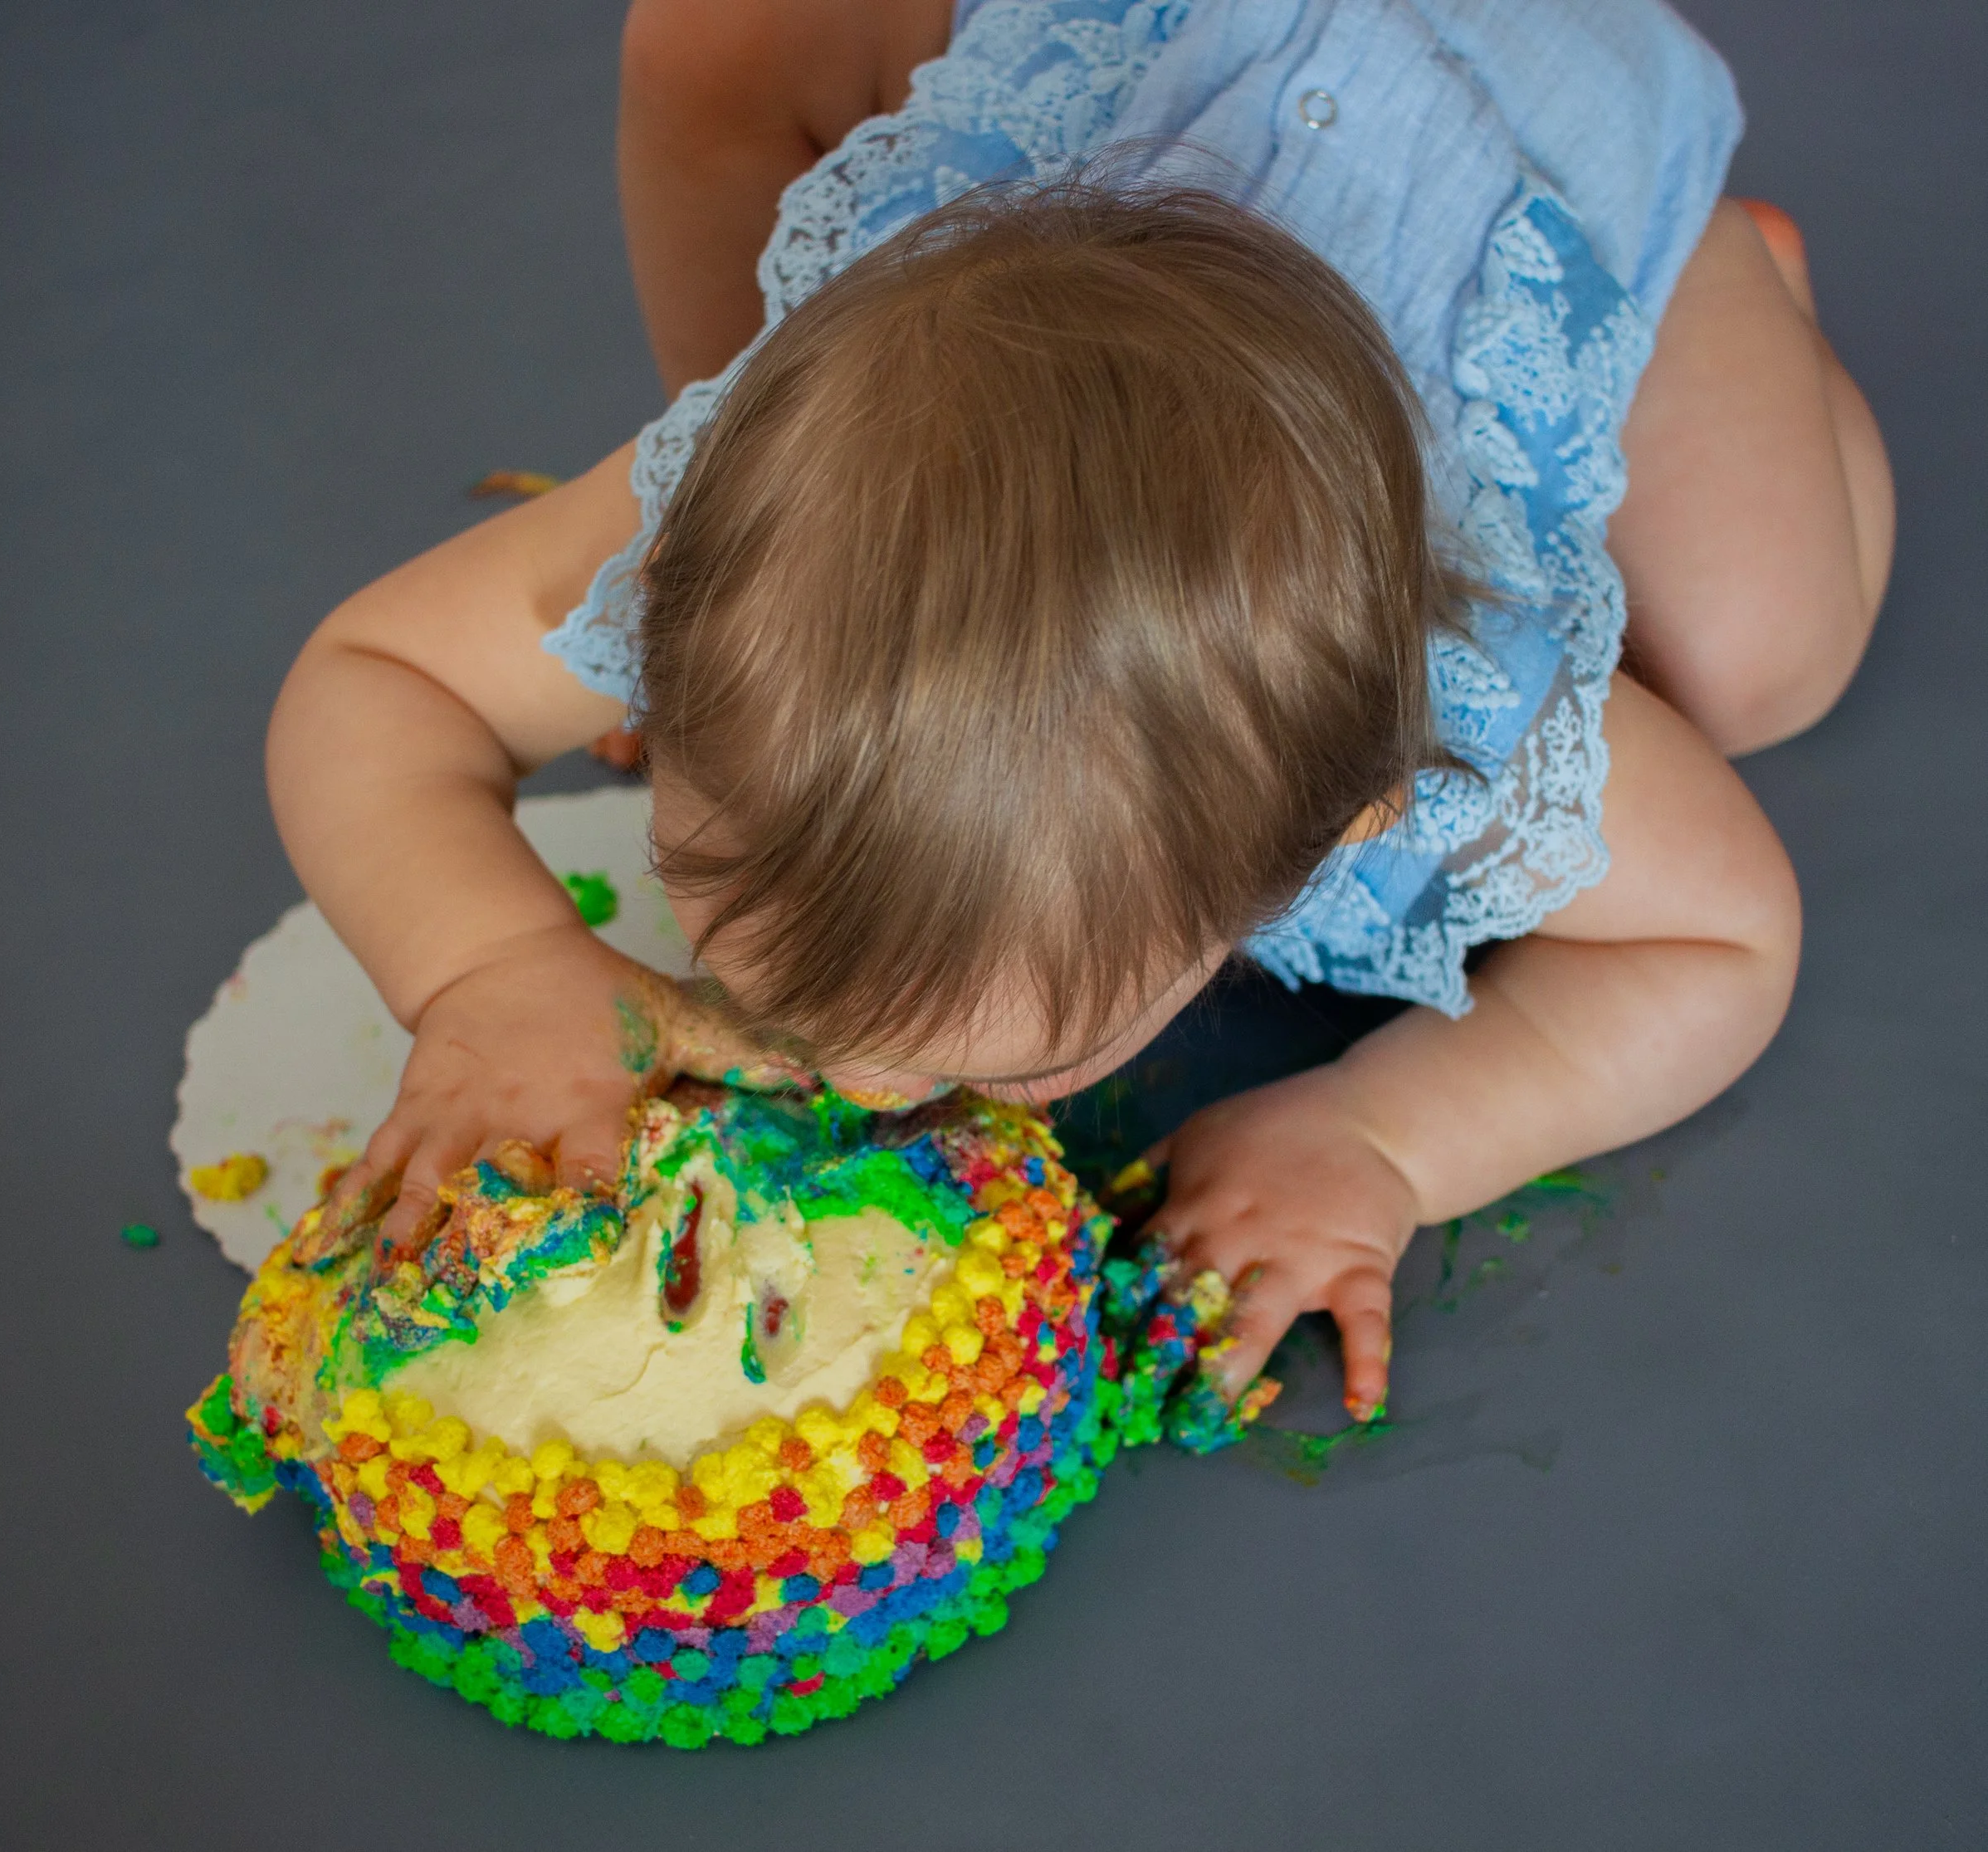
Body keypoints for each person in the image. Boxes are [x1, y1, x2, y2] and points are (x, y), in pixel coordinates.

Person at [268, 0, 1893, 1422]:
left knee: (1757, 664)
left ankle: (1739, 290)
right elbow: (377, 678)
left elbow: (1725, 936)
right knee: (714, 27)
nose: (842, 1080)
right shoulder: (719, 520)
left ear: (1324, 838)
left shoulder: (1455, 733)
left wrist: (1388, 1139)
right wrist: (494, 961)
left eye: (1008, 1056)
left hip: (1539, 118)